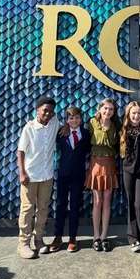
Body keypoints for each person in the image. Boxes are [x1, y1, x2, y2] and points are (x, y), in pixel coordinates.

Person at [16, 96, 59, 260]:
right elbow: (20, 152)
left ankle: (39, 240)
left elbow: (63, 123)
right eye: (44, 110)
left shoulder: (54, 123)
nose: (48, 114)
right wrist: (22, 173)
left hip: (47, 175)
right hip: (30, 176)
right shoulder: (29, 128)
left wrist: (65, 128)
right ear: (37, 110)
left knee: (43, 209)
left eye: (51, 111)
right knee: (27, 209)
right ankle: (23, 244)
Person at [50, 106, 90, 252]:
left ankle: (72, 238)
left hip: (78, 175)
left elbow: (88, 153)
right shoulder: (61, 133)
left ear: (81, 119)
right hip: (63, 174)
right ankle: (58, 236)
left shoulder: (86, 134)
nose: (74, 120)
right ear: (67, 120)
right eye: (71, 118)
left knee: (74, 206)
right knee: (60, 205)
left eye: (77, 117)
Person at [85, 99, 120, 252]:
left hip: (110, 163)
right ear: (100, 109)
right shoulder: (92, 123)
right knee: (97, 201)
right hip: (95, 164)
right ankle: (96, 236)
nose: (108, 111)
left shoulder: (116, 125)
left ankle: (104, 236)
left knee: (106, 202)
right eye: (105, 108)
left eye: (111, 109)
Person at [120, 100, 140, 253]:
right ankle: (133, 237)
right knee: (131, 203)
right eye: (133, 113)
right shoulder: (123, 128)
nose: (136, 115)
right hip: (128, 170)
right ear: (128, 114)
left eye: (139, 113)